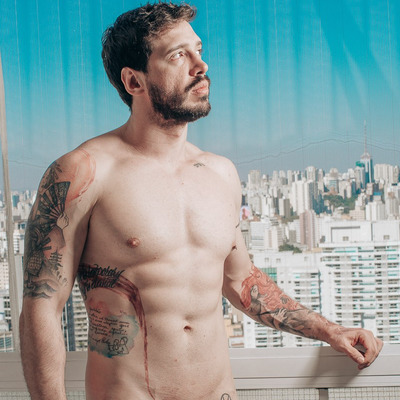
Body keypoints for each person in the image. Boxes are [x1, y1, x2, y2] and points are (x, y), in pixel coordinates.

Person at [19, 3, 383, 400]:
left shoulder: (220, 174)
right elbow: (42, 307)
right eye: (178, 55)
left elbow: (242, 282)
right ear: (134, 81)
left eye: (199, 50)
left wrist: (329, 330)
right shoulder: (83, 173)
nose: (201, 66)